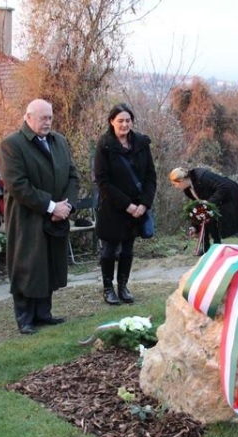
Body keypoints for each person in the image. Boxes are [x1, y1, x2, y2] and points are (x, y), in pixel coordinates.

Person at [0, 99, 79, 334]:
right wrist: (51, 206)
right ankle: (25, 318)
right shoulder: (11, 145)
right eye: (42, 118)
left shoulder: (60, 141)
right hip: (27, 219)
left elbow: (73, 176)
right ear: (28, 117)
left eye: (50, 118)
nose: (47, 122)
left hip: (57, 216)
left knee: (50, 266)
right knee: (27, 266)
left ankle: (44, 314)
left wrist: (67, 206)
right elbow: (17, 185)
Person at [94, 103, 157, 306]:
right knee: (109, 250)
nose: (124, 124)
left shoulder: (141, 143)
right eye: (120, 120)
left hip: (137, 209)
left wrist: (144, 204)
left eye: (128, 120)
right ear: (111, 122)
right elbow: (103, 181)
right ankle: (107, 288)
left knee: (128, 249)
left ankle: (123, 286)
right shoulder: (104, 145)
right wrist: (126, 205)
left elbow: (150, 176)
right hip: (113, 207)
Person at [169, 167, 238, 249]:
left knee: (230, 222)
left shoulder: (203, 176)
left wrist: (209, 203)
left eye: (174, 184)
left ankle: (217, 245)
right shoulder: (187, 190)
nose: (175, 187)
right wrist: (194, 226)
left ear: (181, 181)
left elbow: (223, 187)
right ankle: (206, 248)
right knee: (207, 216)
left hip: (232, 196)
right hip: (217, 202)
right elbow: (198, 207)